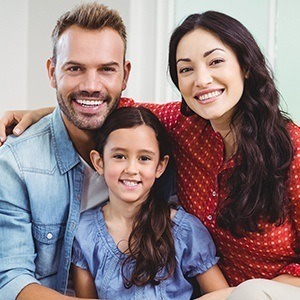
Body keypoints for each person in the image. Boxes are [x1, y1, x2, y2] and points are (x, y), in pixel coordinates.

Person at [1, 9, 299, 300]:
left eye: (216, 62)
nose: (203, 80)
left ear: (245, 66)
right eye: (186, 69)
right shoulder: (183, 126)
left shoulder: (292, 147)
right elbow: (106, 107)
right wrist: (46, 114)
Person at [0, 3, 133, 300]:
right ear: (52, 72)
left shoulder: (156, 143)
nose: (90, 85)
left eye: (106, 69)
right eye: (75, 68)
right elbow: (10, 281)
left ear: (124, 75)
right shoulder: (16, 162)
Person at [71, 106, 229, 299]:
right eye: (119, 156)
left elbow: (224, 296)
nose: (131, 168)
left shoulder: (185, 230)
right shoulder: (84, 231)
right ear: (99, 162)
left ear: (160, 166)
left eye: (144, 158)